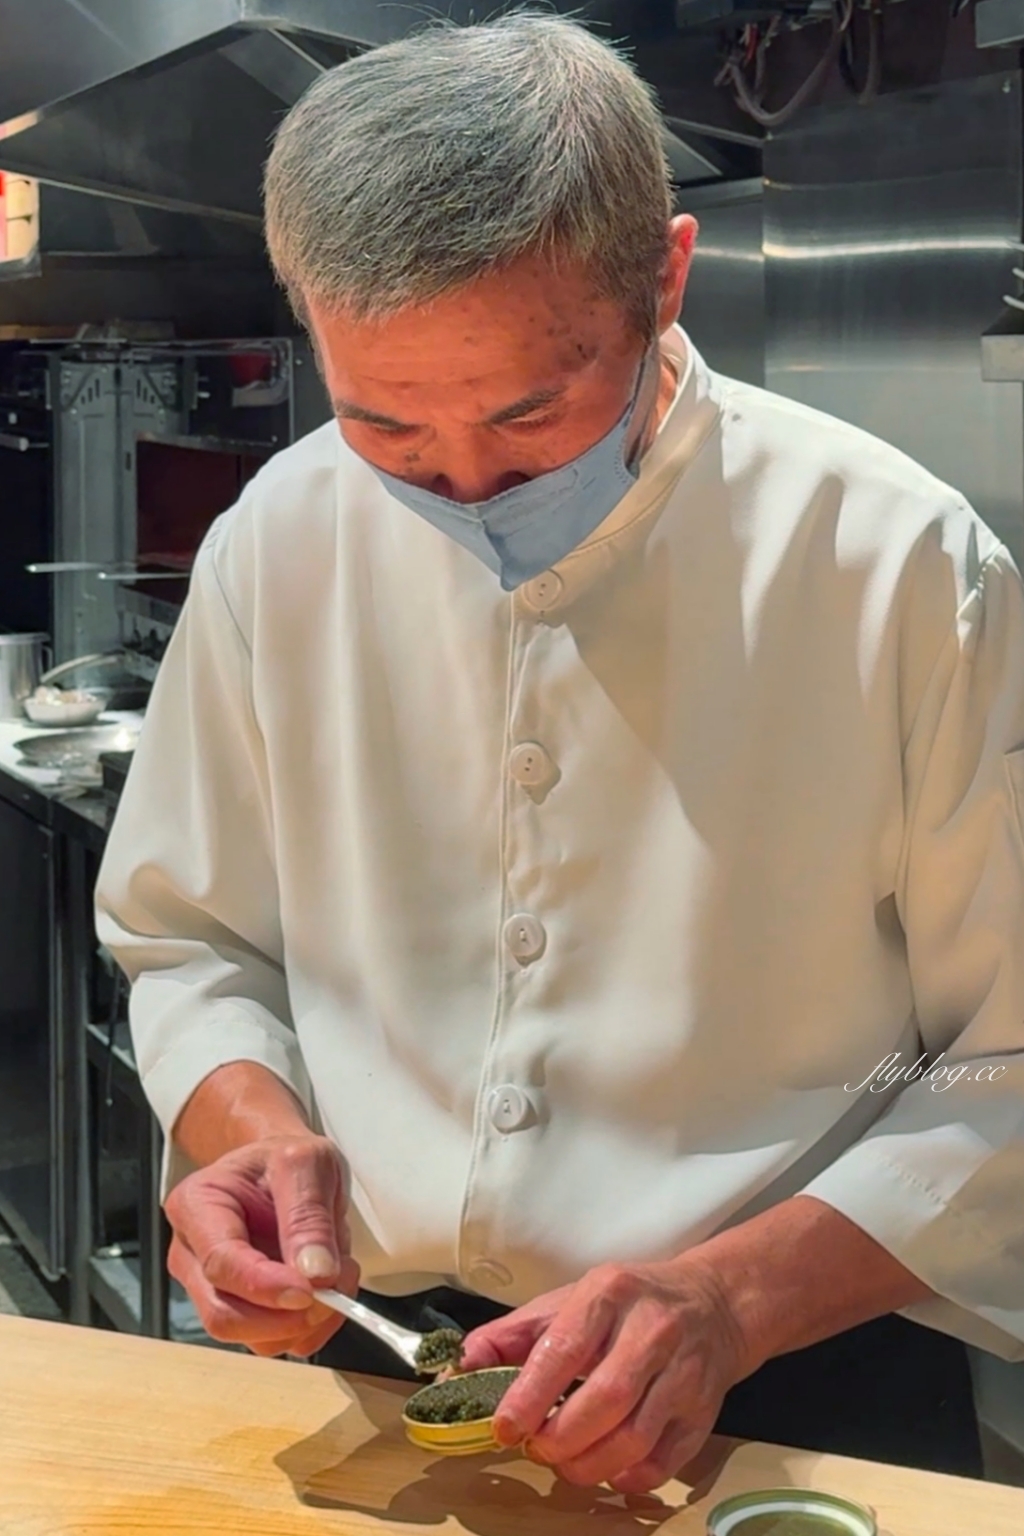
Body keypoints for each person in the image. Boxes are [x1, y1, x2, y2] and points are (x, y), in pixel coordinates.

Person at [95, 12, 1024, 1494]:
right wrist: (246, 1136)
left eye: (534, 411)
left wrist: (727, 1300)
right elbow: (192, 935)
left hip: (783, 1375)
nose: (467, 484)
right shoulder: (281, 531)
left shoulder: (896, 562)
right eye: (386, 425)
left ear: (666, 274)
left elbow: (1011, 1058)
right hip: (374, 1360)